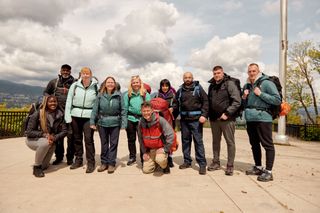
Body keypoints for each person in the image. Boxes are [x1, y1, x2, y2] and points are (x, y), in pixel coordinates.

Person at [242, 63, 281, 182]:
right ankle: (258, 167)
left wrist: (261, 94)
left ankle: (269, 171)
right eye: (249, 71)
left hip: (264, 118)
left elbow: (277, 100)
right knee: (254, 144)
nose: (251, 73)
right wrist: (244, 97)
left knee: (267, 144)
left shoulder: (267, 83)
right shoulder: (247, 85)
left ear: (258, 71)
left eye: (254, 71)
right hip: (250, 119)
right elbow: (244, 105)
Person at [207, 66, 241, 176]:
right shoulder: (211, 86)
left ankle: (230, 165)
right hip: (214, 119)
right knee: (215, 142)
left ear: (222, 73)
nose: (217, 75)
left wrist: (227, 113)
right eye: (215, 73)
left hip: (227, 119)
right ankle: (216, 162)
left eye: (218, 73)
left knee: (230, 142)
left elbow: (237, 101)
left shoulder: (229, 83)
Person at [65, 67, 99, 173]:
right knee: (77, 139)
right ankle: (78, 160)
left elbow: (98, 104)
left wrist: (96, 118)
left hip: (89, 116)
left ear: (91, 74)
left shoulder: (96, 87)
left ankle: (91, 162)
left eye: (87, 73)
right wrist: (68, 116)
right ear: (80, 74)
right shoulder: (74, 85)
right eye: (83, 73)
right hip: (75, 115)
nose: (85, 75)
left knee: (88, 140)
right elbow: (69, 100)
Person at [90, 76, 127, 174]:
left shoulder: (119, 95)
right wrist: (92, 122)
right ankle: (104, 163)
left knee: (114, 144)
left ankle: (111, 164)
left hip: (115, 123)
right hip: (102, 122)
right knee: (104, 144)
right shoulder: (100, 95)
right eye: (108, 82)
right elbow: (95, 109)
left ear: (114, 84)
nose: (110, 84)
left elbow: (123, 109)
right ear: (105, 84)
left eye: (112, 82)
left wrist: (124, 123)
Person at [25, 95, 67, 178]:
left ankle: (41, 165)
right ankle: (36, 167)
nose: (53, 103)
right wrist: (44, 135)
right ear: (46, 103)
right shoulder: (39, 113)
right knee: (46, 142)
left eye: (54, 101)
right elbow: (29, 132)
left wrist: (54, 138)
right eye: (50, 101)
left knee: (44, 166)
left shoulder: (60, 114)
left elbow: (64, 131)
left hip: (50, 141)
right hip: (33, 140)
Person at [176, 72, 208, 175]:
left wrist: (204, 115)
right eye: (185, 77)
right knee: (185, 141)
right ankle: (187, 161)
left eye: (189, 77)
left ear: (192, 78)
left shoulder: (198, 88)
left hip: (196, 120)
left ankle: (202, 164)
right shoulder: (180, 90)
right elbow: (176, 104)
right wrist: (172, 111)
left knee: (198, 142)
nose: (187, 79)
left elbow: (206, 102)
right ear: (183, 79)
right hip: (184, 120)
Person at [43, 64, 75, 165]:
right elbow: (45, 93)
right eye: (63, 70)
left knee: (71, 137)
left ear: (70, 72)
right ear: (60, 71)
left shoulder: (75, 83)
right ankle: (59, 157)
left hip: (70, 114)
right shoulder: (54, 82)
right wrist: (51, 100)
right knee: (59, 138)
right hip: (58, 115)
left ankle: (70, 158)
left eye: (67, 71)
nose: (65, 72)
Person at [137, 101, 174, 174]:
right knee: (146, 170)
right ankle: (156, 163)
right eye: (144, 111)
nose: (146, 113)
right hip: (150, 150)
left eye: (148, 111)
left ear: (152, 110)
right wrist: (144, 152)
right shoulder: (141, 122)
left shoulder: (160, 120)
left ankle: (165, 165)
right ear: (141, 112)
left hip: (160, 149)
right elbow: (140, 139)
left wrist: (165, 149)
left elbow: (170, 135)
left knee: (160, 159)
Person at [123, 75, 151, 166]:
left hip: (142, 119)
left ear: (140, 83)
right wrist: (124, 121)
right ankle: (132, 157)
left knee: (142, 140)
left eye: (137, 82)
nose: (135, 84)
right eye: (133, 82)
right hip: (130, 118)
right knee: (131, 139)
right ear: (131, 83)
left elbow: (149, 107)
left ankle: (143, 157)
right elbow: (125, 108)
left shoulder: (145, 94)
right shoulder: (128, 94)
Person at [153, 79, 177, 167]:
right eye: (163, 86)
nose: (165, 87)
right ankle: (160, 157)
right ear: (160, 86)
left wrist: (173, 108)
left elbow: (177, 104)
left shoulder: (173, 95)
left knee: (169, 138)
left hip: (169, 119)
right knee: (160, 137)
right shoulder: (156, 95)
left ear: (169, 86)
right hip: (159, 119)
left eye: (166, 85)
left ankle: (170, 157)